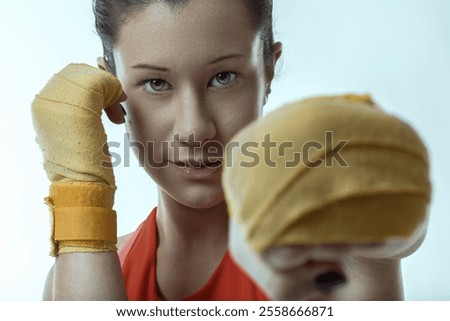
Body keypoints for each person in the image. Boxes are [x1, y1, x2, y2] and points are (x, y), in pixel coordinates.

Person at [35, 0, 427, 301]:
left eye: (223, 77)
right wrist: (79, 191)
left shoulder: (331, 252)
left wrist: (375, 164)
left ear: (268, 70)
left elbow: (395, 231)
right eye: (156, 83)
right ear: (110, 88)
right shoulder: (83, 268)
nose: (194, 129)